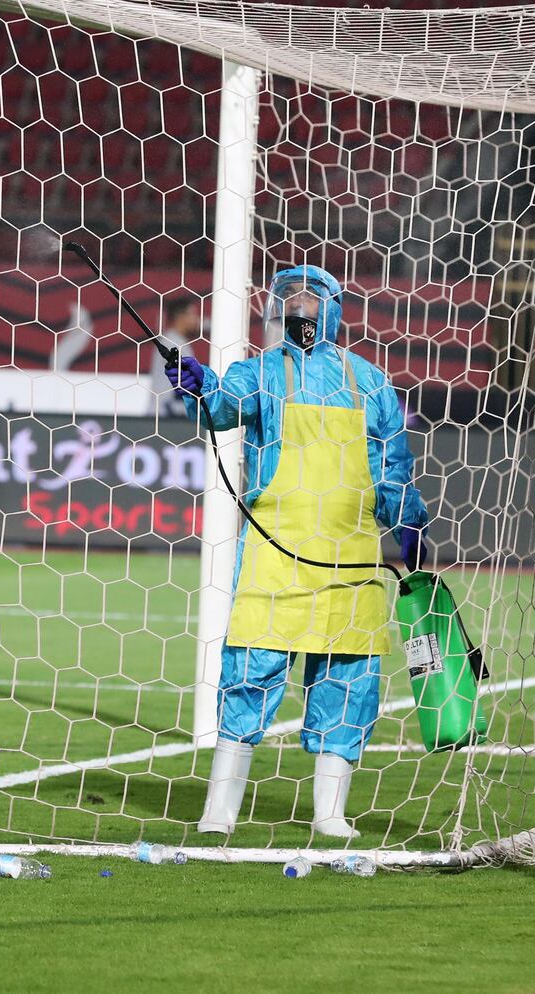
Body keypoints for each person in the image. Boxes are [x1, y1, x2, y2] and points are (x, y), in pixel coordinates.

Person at [165, 265, 429, 838]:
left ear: (334, 307)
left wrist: (408, 523)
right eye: (290, 296)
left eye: (311, 296)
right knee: (249, 675)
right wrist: (195, 383)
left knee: (349, 681)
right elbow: (220, 407)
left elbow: (393, 467)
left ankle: (330, 814)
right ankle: (219, 813)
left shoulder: (370, 382)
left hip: (352, 558)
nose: (300, 306)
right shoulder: (259, 373)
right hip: (273, 553)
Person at [149, 296, 201, 416]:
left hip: (169, 412)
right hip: (164, 413)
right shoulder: (172, 343)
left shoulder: (176, 340)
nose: (196, 319)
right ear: (180, 317)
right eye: (192, 314)